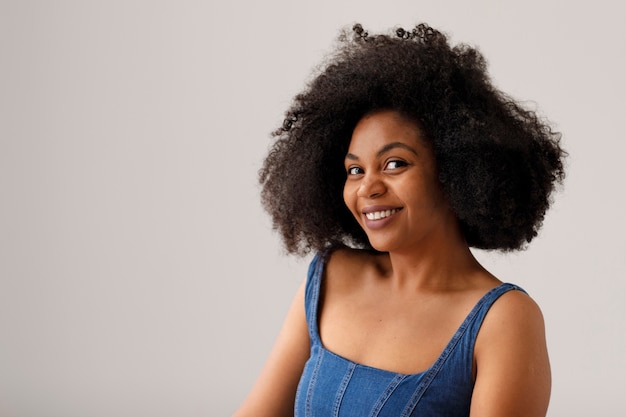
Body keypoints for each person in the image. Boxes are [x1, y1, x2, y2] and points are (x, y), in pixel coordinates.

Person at [234, 23, 565, 417]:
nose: (367, 188)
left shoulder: (503, 320)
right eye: (355, 170)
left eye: (395, 163)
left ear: (456, 172)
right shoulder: (330, 276)